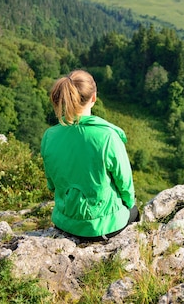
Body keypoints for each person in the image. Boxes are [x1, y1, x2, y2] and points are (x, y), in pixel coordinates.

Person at [41, 69, 138, 241]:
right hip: (103, 227)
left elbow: (51, 185)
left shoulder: (49, 136)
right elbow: (125, 186)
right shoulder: (108, 137)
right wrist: (129, 204)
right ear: (94, 98)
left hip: (64, 223)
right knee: (134, 211)